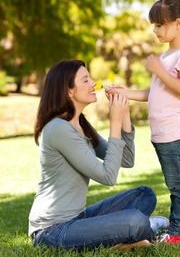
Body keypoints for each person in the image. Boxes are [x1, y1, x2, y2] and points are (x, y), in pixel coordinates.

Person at [28, 59, 168, 252]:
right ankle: (132, 234)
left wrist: (123, 113)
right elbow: (108, 176)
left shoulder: (81, 124)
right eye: (85, 80)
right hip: (52, 231)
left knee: (145, 195)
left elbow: (127, 160)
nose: (94, 83)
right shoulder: (58, 129)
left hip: (78, 218)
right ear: (69, 90)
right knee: (136, 221)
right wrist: (114, 122)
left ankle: (123, 236)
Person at [107, 0, 180, 244]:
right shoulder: (166, 57)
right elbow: (155, 93)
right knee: (174, 184)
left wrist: (159, 71)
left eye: (160, 24)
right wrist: (123, 93)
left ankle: (178, 234)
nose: (155, 29)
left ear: (179, 23)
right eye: (155, 24)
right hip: (162, 135)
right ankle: (176, 229)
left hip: (176, 134)